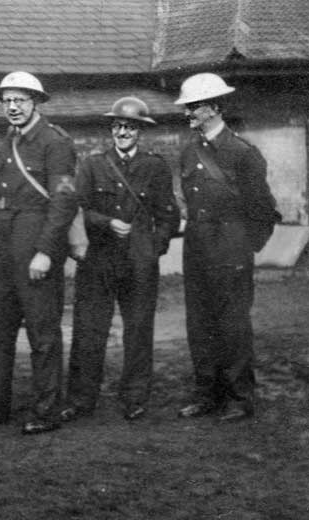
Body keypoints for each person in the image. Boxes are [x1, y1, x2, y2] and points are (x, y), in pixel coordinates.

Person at [0, 71, 78, 434]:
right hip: (4, 249)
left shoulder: (55, 143)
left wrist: (45, 251)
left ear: (35, 102)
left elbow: (64, 200)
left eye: (19, 100)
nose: (12, 107)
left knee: (42, 333)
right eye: (7, 101)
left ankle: (46, 411)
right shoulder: (9, 140)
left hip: (35, 244)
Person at [61, 97, 179, 422]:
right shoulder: (92, 164)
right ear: (111, 129)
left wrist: (155, 247)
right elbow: (78, 208)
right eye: (118, 126)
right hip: (98, 260)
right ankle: (82, 399)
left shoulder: (155, 166)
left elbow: (169, 214)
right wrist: (105, 223)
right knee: (89, 329)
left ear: (140, 131)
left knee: (138, 330)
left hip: (139, 262)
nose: (123, 131)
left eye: (130, 126)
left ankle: (135, 397)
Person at [173, 73, 280, 422]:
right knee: (199, 323)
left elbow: (262, 208)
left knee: (233, 325)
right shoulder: (189, 150)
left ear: (215, 107)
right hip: (197, 244)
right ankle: (207, 394)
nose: (188, 112)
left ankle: (239, 398)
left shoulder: (243, 153)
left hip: (231, 246)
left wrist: (245, 246)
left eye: (195, 106)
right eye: (187, 106)